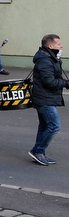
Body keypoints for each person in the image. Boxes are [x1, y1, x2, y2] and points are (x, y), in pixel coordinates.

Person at [28, 34, 68, 165]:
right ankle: (38, 151)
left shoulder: (51, 57)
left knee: (45, 125)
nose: (61, 46)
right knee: (54, 126)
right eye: (59, 44)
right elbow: (49, 82)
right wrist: (66, 83)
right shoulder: (45, 60)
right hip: (44, 98)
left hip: (46, 97)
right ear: (50, 46)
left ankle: (40, 153)